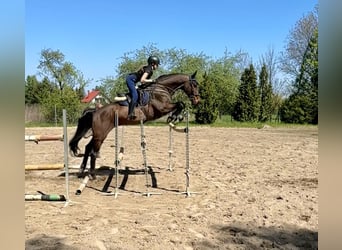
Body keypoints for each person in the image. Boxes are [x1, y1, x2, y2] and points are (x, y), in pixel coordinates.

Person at [125, 55, 160, 120]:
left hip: (134, 81)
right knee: (135, 96)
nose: (157, 66)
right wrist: (152, 80)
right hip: (130, 80)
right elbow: (142, 80)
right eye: (157, 64)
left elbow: (143, 82)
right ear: (153, 63)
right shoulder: (149, 69)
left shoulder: (150, 70)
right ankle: (130, 114)